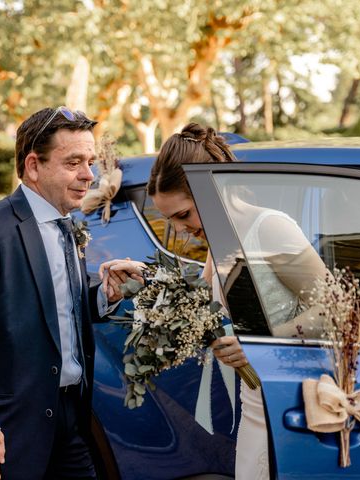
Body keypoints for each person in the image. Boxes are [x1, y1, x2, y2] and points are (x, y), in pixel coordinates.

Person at [0, 107, 131, 480]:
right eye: (74, 163)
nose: (89, 175)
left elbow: (46, 307)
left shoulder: (66, 222)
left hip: (70, 421)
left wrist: (101, 296)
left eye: (91, 162)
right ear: (34, 167)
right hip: (8, 431)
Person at [112, 123, 327, 479]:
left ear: (214, 189)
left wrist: (260, 345)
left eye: (183, 215)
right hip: (254, 404)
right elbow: (205, 304)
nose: (181, 229)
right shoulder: (219, 243)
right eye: (171, 221)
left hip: (288, 400)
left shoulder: (271, 228)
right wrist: (148, 276)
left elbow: (334, 307)